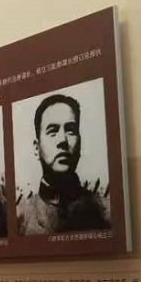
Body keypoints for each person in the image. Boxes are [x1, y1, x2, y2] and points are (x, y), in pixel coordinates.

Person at [16, 93, 112, 235]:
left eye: (71, 130)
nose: (63, 140)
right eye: (52, 131)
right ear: (37, 148)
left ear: (80, 143)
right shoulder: (20, 218)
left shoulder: (107, 214)